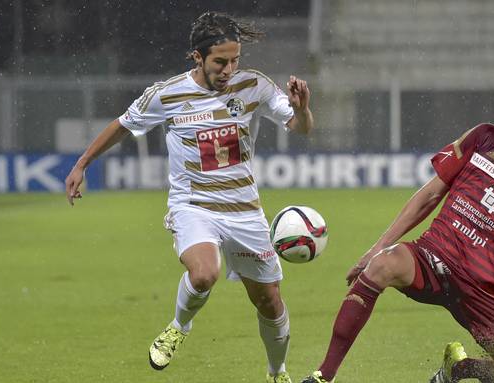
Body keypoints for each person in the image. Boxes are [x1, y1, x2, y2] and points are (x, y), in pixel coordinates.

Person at [65, 11, 313, 383]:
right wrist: (82, 163)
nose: (229, 69)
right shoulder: (168, 94)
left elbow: (301, 128)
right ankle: (179, 327)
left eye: (235, 60)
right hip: (193, 206)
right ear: (198, 58)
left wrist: (303, 108)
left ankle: (277, 372)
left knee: (269, 302)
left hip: (244, 210)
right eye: (220, 61)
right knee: (204, 273)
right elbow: (122, 124)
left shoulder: (255, 86)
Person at [301, 86, 494, 383]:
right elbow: (430, 195)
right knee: (382, 265)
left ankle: (460, 369)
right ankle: (324, 376)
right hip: (434, 256)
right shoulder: (485, 137)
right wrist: (376, 248)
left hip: (485, 288)